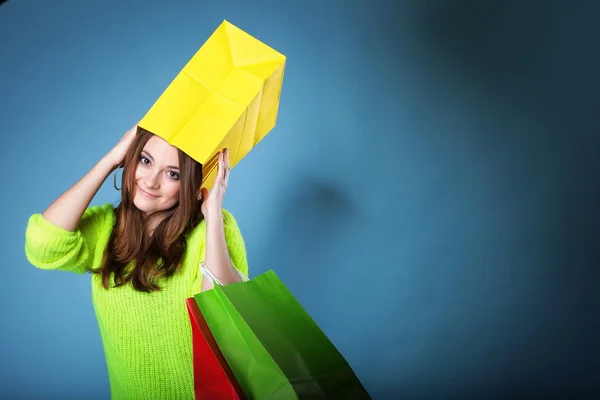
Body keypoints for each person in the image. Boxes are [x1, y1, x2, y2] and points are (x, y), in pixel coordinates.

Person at [24, 124, 248, 399]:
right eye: (145, 160)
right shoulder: (106, 228)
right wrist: (110, 161)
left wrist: (213, 216)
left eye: (172, 174)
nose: (151, 181)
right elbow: (41, 246)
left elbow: (220, 324)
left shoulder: (213, 230)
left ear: (191, 183)